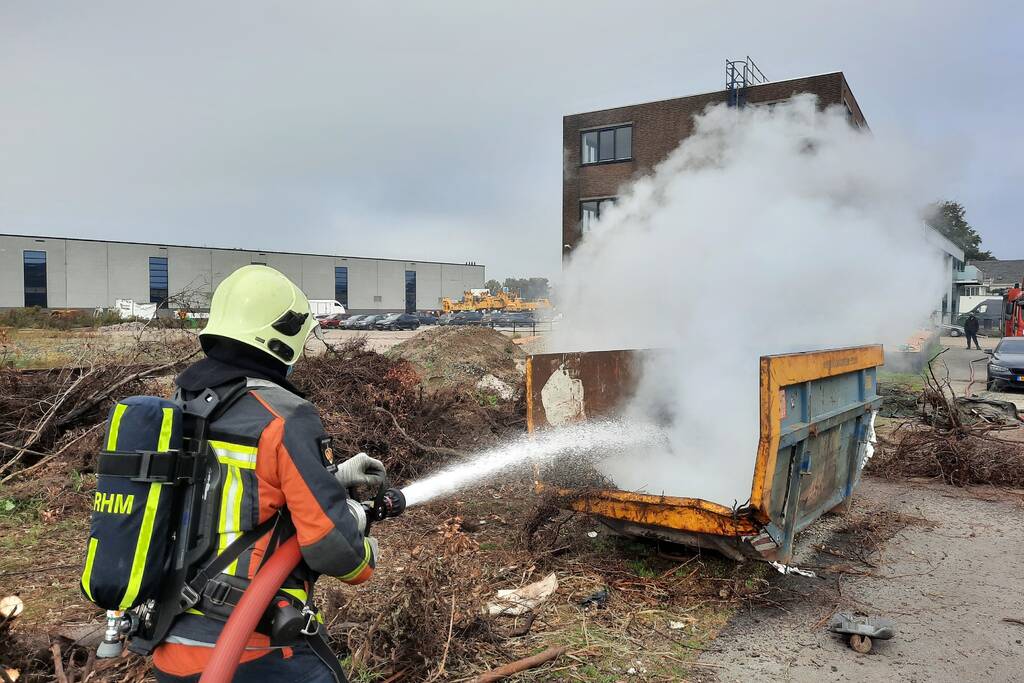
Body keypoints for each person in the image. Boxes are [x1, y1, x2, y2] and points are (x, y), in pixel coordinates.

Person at [153, 265, 385, 683]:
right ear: (282, 335)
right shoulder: (284, 415)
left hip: (169, 637)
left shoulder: (184, 401)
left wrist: (330, 477)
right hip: (248, 648)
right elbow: (333, 548)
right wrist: (363, 549)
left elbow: (234, 489)